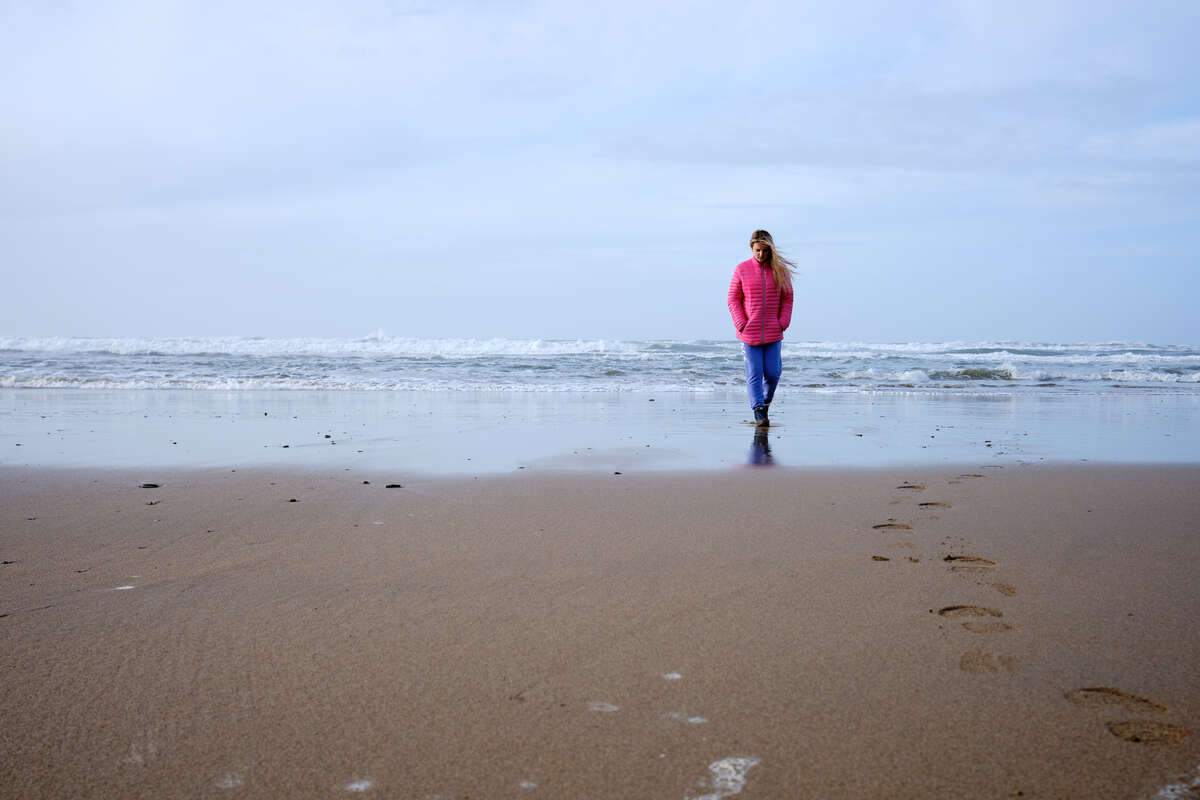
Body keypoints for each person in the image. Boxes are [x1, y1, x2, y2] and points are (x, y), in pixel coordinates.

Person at [726, 229, 796, 427]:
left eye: (765, 251)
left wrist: (783, 322)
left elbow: (788, 298)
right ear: (752, 248)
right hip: (749, 333)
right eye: (757, 250)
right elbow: (733, 299)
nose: (761, 254)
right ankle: (758, 409)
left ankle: (765, 401)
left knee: (773, 373)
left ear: (770, 250)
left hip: (774, 331)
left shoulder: (780, 271)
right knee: (754, 372)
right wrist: (741, 323)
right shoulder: (742, 269)